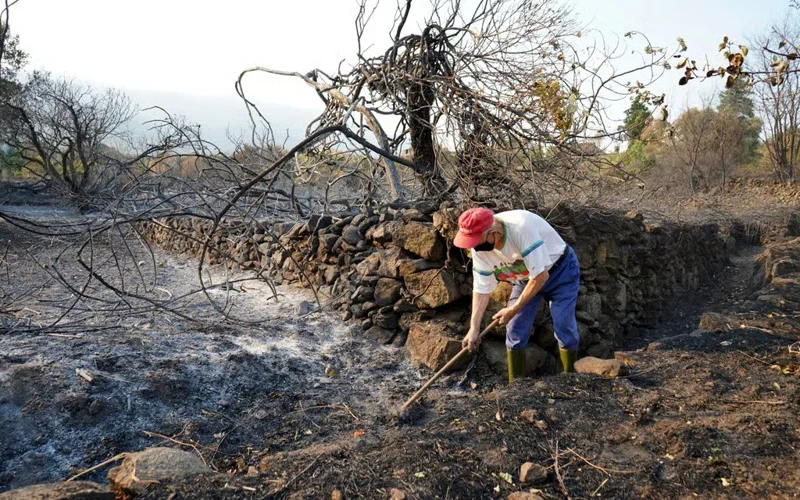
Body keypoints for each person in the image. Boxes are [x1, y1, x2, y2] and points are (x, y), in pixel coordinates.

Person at [453, 207, 581, 381]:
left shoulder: (521, 228)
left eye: (476, 240)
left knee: (563, 324)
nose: (474, 246)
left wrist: (513, 309)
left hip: (560, 270)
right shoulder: (479, 249)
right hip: (525, 277)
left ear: (494, 233)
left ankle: (568, 379)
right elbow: (482, 288)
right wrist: (474, 329)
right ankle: (516, 387)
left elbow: (541, 276)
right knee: (515, 326)